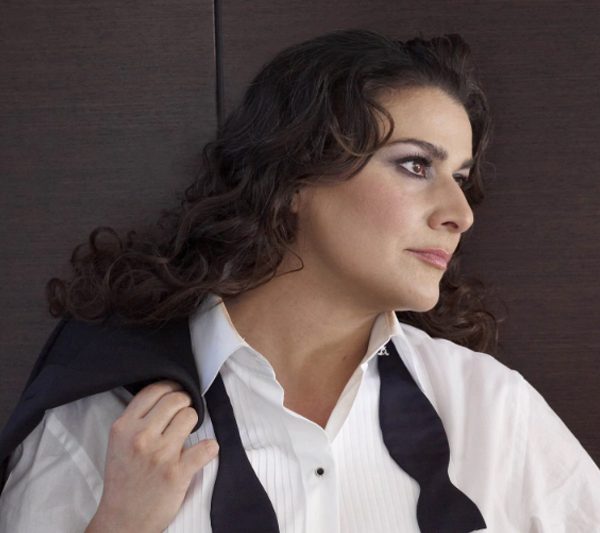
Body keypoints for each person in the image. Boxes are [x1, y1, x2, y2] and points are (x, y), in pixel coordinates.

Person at [1, 28, 599, 533]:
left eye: (461, 179)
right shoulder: (105, 426)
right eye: (416, 165)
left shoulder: (492, 411)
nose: (460, 213)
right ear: (294, 178)